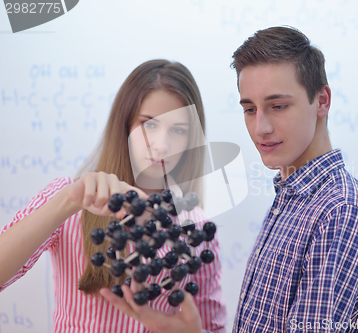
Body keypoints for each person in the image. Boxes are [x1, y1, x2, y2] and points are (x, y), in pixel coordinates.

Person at [101, 26, 358, 333]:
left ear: (321, 101)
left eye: (278, 106)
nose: (260, 127)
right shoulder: (294, 200)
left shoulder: (340, 213)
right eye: (250, 109)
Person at [0, 59, 226, 333]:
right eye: (149, 124)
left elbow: (210, 327)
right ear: (125, 125)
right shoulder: (72, 199)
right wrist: (67, 202)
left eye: (178, 131)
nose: (162, 145)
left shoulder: (197, 227)